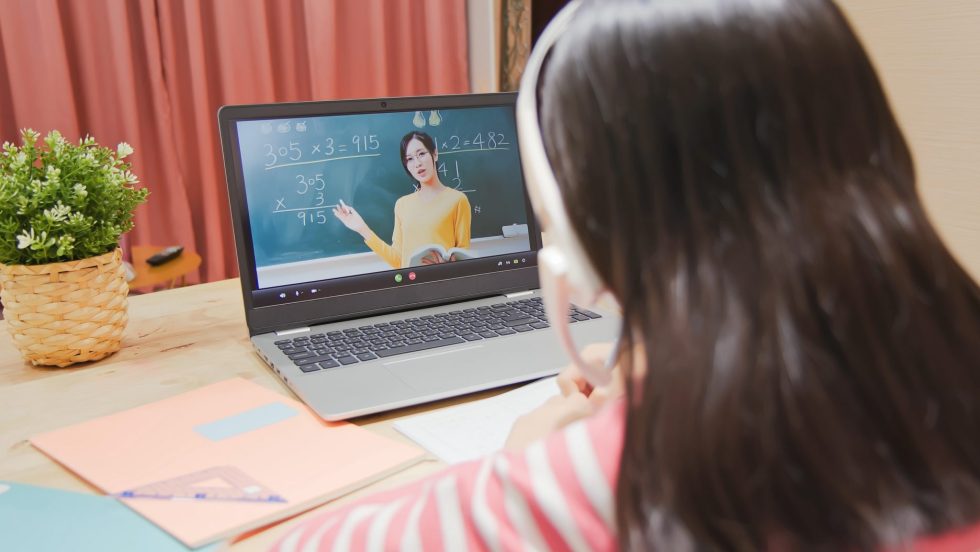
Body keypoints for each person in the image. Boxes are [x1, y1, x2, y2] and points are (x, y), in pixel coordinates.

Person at [275, 0, 980, 550]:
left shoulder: (613, 479)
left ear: (576, 222)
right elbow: (400, 259)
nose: (417, 164)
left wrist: (525, 469)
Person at [333, 131, 472, 268]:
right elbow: (398, 261)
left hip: (442, 280)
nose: (417, 163)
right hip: (410, 281)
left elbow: (463, 258)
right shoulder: (402, 204)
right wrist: (362, 228)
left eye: (421, 154)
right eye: (410, 159)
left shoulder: (458, 200)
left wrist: (447, 267)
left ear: (434, 154)